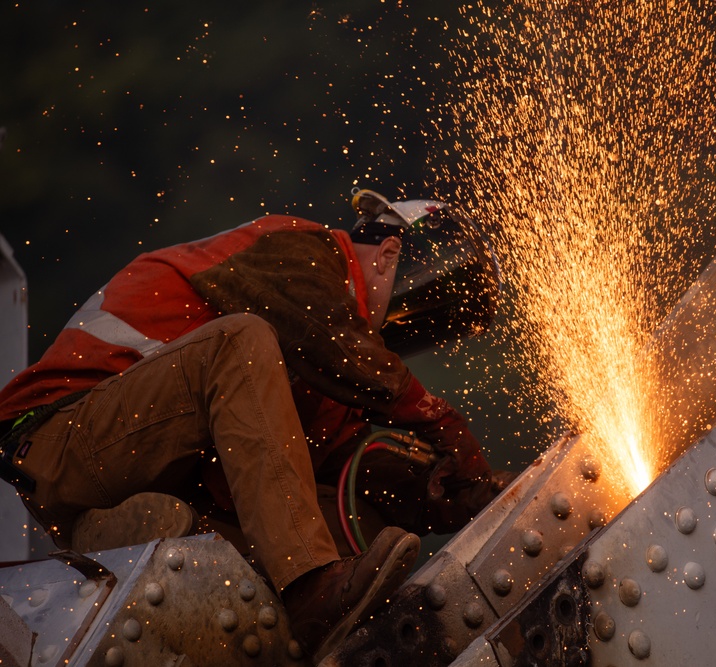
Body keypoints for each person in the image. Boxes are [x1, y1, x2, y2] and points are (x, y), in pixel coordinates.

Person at [0, 188, 506, 656]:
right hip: (56, 440)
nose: (407, 322)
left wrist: (444, 493)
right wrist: (438, 421)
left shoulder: (323, 373)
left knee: (353, 515)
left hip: (140, 480)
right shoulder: (303, 252)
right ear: (390, 252)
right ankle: (308, 587)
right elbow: (329, 339)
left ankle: (310, 625)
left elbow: (342, 467)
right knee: (238, 343)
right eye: (420, 299)